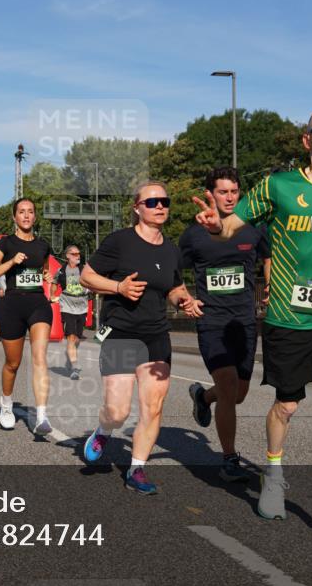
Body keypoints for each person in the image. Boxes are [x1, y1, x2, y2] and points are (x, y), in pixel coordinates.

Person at [194, 107, 312, 534]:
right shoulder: (278, 185)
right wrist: (216, 226)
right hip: (289, 316)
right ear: (307, 140)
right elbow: (233, 225)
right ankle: (274, 475)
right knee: (287, 406)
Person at [80, 181, 202, 495]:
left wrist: (184, 301)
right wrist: (118, 287)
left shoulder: (171, 249)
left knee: (153, 406)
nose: (160, 206)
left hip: (156, 335)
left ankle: (136, 468)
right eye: (152, 202)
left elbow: (174, 287)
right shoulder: (120, 242)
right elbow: (86, 276)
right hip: (121, 333)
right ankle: (104, 428)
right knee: (118, 411)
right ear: (137, 208)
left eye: (164, 201)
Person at [181, 167, 271, 482]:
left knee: (239, 394)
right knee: (229, 385)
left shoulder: (252, 228)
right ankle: (230, 458)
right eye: (223, 192)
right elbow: (173, 270)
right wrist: (185, 299)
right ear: (210, 194)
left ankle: (203, 398)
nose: (230, 197)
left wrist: (270, 284)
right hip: (212, 322)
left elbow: (268, 257)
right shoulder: (193, 234)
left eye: (234, 191)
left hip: (244, 321)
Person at [0, 197, 58, 435]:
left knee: (40, 358)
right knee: (13, 363)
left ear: (35, 216)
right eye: (22, 212)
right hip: (12, 306)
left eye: (30, 211)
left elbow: (44, 270)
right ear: (14, 217)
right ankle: (6, 405)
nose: (26, 215)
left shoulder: (43, 245)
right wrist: (11, 262)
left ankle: (42, 416)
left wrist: (47, 277)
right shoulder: (5, 244)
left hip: (38, 304)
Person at [56, 245, 91, 380]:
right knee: (71, 336)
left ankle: (71, 354)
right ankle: (74, 367)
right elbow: (54, 283)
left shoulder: (84, 270)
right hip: (67, 306)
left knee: (77, 337)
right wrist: (52, 295)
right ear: (67, 256)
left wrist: (91, 289)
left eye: (78, 254)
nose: (77, 256)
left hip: (82, 307)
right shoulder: (61, 271)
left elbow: (92, 283)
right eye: (74, 254)